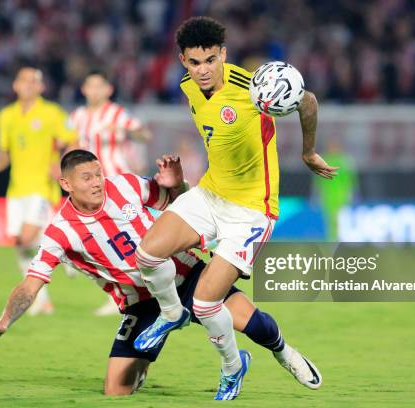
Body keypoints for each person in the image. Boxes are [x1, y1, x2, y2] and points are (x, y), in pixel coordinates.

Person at [0, 149, 321, 396]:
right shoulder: (60, 231)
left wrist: (177, 183)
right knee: (115, 390)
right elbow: (32, 283)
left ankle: (284, 353)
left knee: (251, 322)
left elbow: (179, 208)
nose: (97, 182)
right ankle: (146, 359)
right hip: (140, 306)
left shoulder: (127, 186)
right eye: (86, 177)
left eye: (98, 173)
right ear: (66, 184)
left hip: (186, 276)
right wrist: (4, 322)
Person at [132, 17, 335, 400]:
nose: (203, 69)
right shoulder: (188, 88)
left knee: (207, 303)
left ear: (223, 54)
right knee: (146, 254)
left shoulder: (253, 90)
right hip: (210, 194)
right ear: (183, 62)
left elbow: (307, 100)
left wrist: (307, 150)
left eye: (211, 59)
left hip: (251, 211)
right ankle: (171, 313)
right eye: (195, 62)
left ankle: (235, 367)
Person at [0, 66, 78, 315]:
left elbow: (73, 140)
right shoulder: (7, 116)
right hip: (16, 189)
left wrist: (63, 164)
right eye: (24, 80)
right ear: (15, 85)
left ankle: (65, 252)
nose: (28, 85)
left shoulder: (51, 113)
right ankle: (43, 299)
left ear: (41, 87)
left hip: (41, 188)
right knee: (20, 244)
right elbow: (5, 154)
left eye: (34, 81)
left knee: (28, 237)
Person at [69, 69, 153, 316]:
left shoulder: (116, 114)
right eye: (90, 86)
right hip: (88, 188)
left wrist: (126, 131)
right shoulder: (77, 117)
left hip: (116, 183)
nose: (94, 91)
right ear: (84, 89)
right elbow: (66, 143)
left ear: (108, 90)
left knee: (127, 238)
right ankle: (123, 293)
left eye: (99, 86)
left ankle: (145, 287)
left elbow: (144, 134)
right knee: (100, 241)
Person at [313, 138, 358, 241]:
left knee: (342, 220)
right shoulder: (323, 160)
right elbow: (318, 181)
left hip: (342, 196)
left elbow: (351, 179)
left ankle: (341, 239)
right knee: (330, 220)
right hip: (328, 196)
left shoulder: (345, 161)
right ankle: (332, 240)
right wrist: (316, 195)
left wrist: (353, 193)